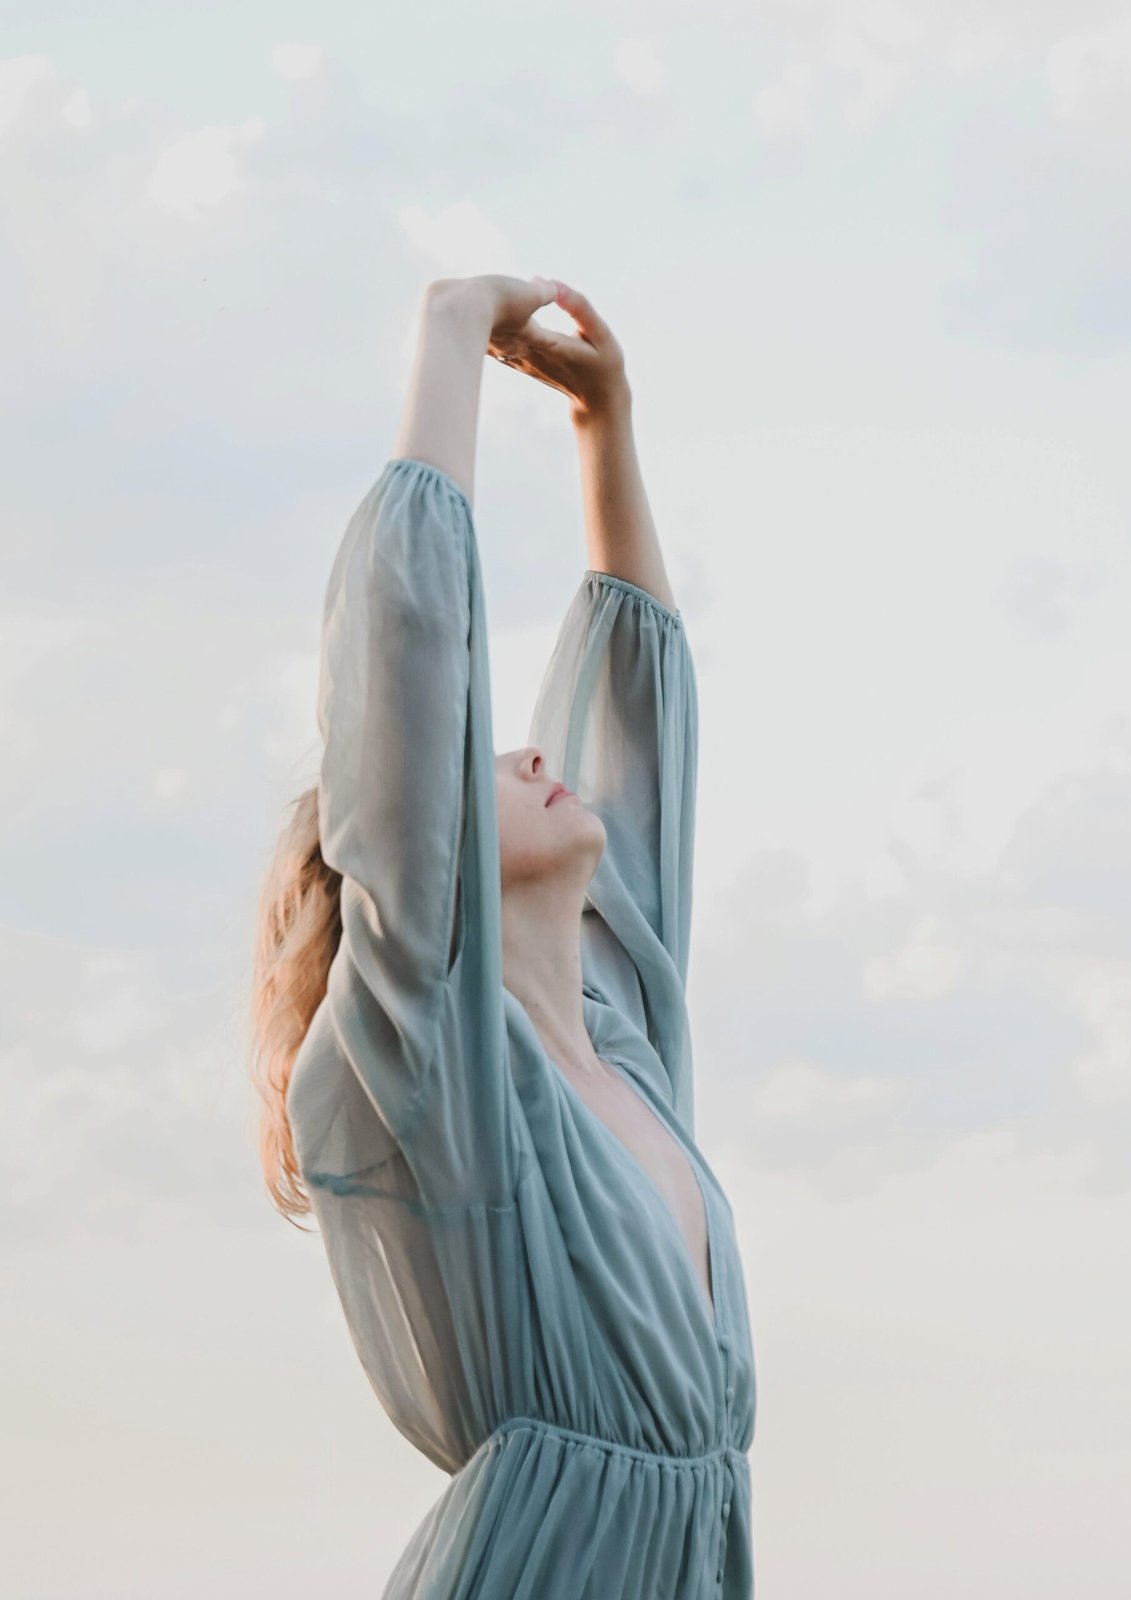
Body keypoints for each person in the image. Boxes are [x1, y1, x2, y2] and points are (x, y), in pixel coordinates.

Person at [247, 274, 756, 1598]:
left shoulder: (622, 1043)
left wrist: (608, 428)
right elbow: (408, 643)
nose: (531, 745)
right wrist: (450, 331)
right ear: (428, 850)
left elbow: (642, 733)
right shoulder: (431, 1058)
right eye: (478, 760)